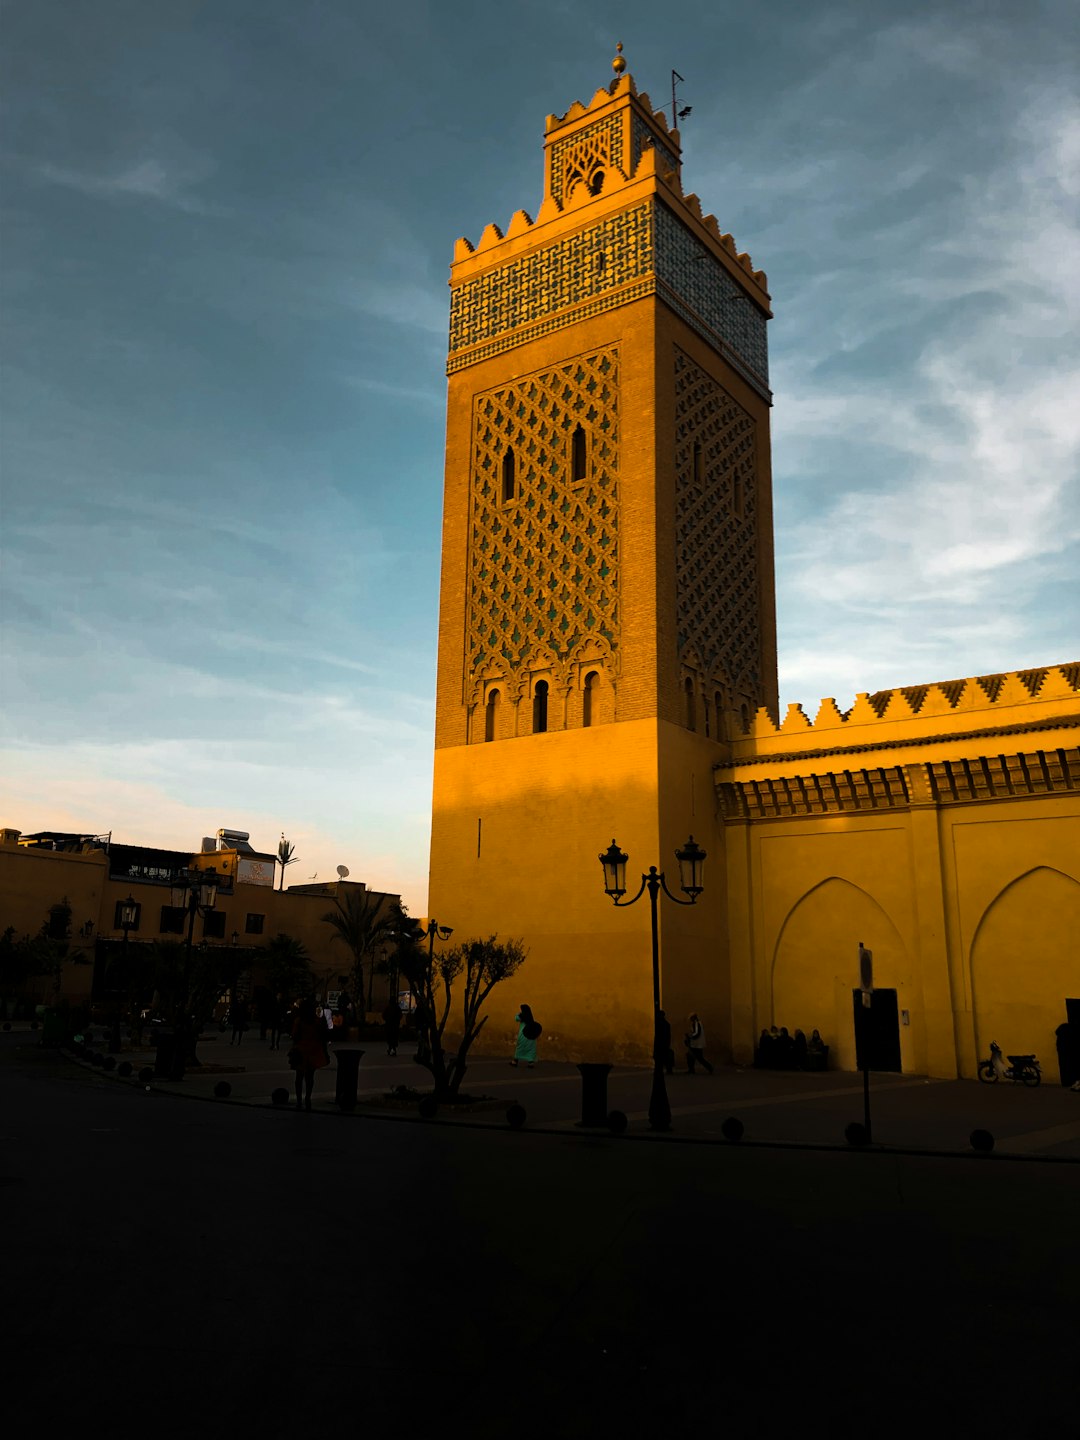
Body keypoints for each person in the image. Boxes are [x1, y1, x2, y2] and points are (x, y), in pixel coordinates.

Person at [289, 998, 331, 1111]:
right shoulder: (317, 1021)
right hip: (314, 1050)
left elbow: (294, 1036)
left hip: (301, 1050)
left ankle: (299, 1100)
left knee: (299, 1077)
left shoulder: (299, 1021)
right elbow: (323, 1037)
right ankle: (308, 1097)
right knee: (310, 1077)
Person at [511, 1003, 539, 1068]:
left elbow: (516, 1018)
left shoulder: (521, 1016)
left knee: (520, 1048)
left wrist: (519, 1013)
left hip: (523, 1035)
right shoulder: (531, 1018)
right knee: (530, 1049)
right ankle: (531, 1063)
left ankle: (515, 1062)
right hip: (531, 1035)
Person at [654, 1009, 674, 1075]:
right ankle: (668, 1069)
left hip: (661, 1043)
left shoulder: (659, 1024)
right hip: (664, 1043)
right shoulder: (666, 1024)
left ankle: (663, 1069)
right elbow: (668, 1035)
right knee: (665, 1056)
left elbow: (658, 1035)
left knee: (661, 1057)